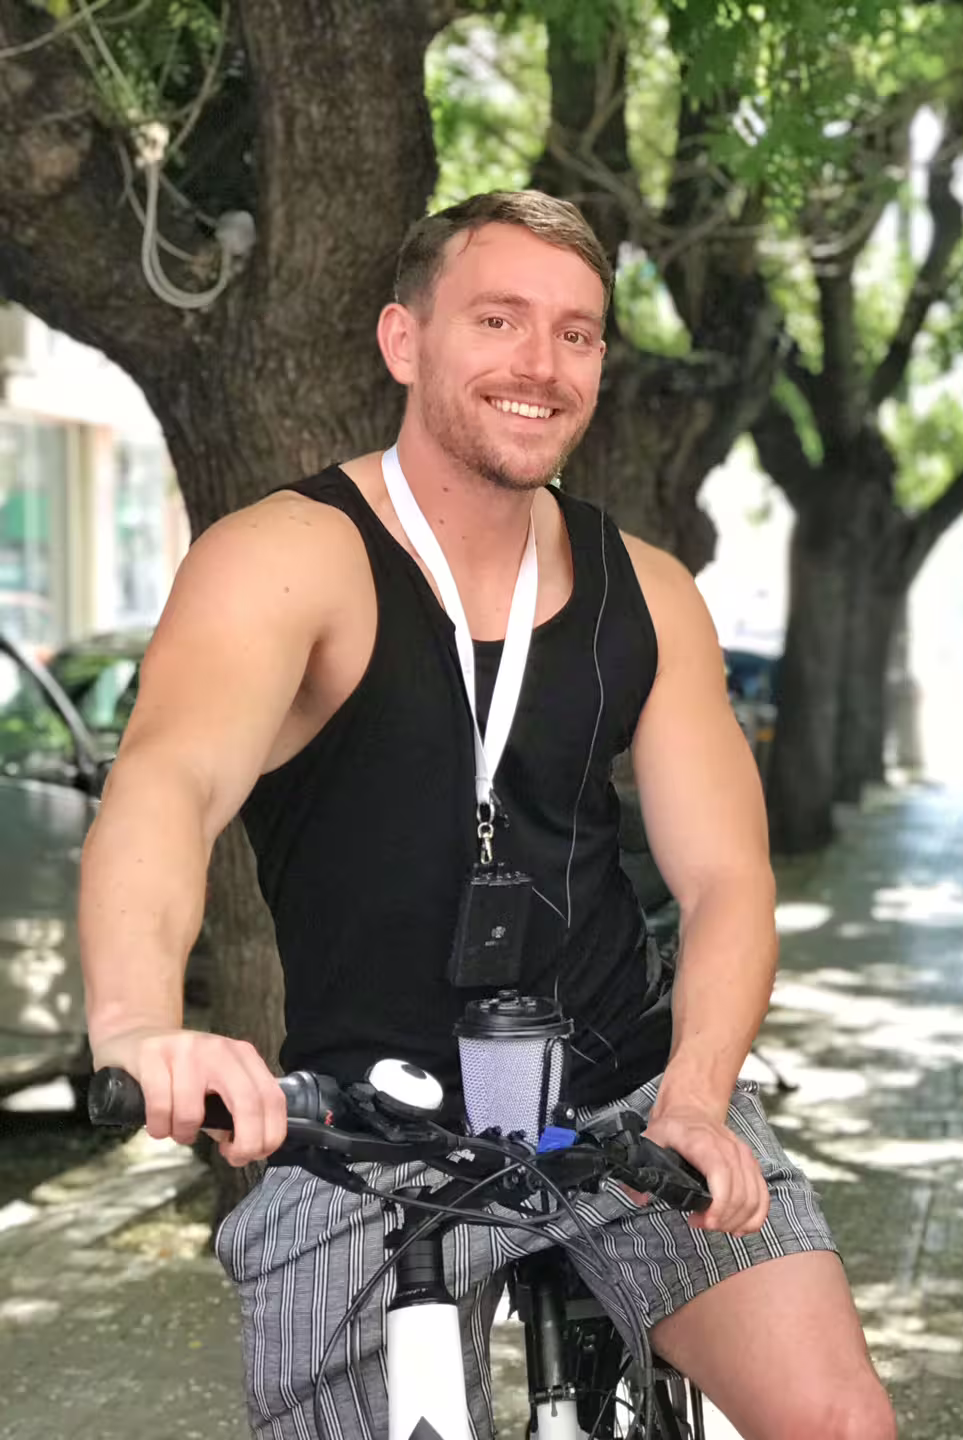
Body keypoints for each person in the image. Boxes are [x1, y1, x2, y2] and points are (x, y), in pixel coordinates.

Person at [79, 190, 895, 1440]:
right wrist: (138, 1027)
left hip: (624, 1095)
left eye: (577, 334)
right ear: (405, 343)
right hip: (366, 1122)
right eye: (499, 320)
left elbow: (729, 880)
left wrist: (696, 1090)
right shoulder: (289, 555)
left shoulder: (650, 593)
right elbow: (167, 786)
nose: (541, 363)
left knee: (838, 1424)